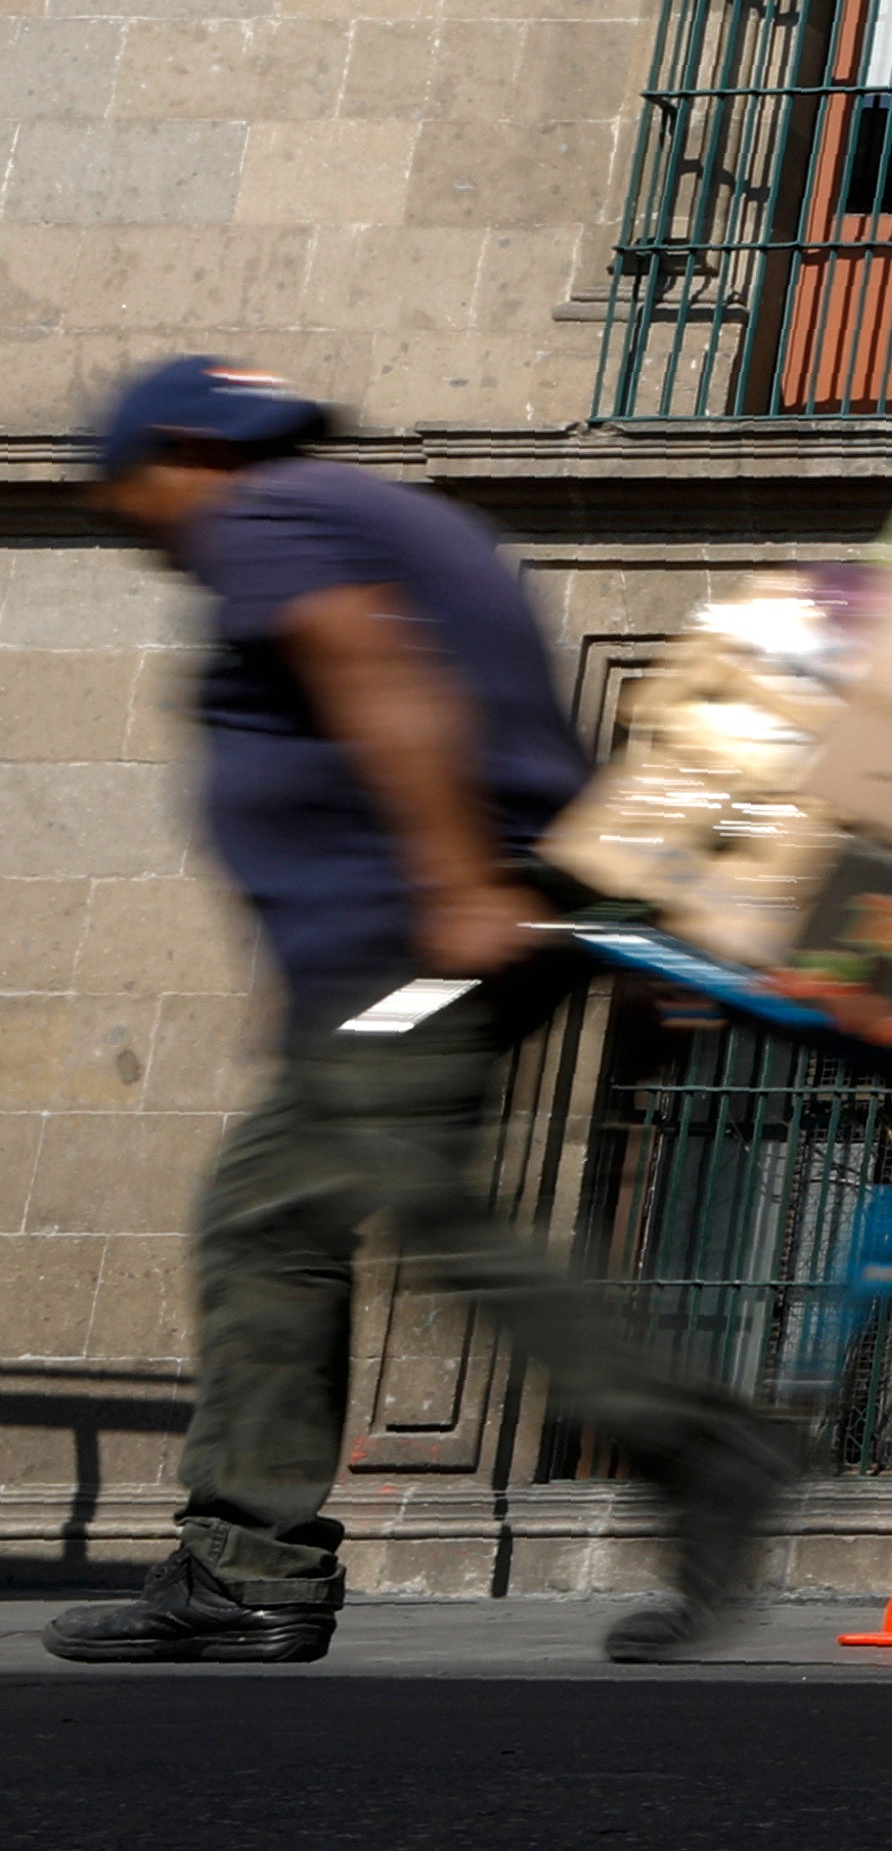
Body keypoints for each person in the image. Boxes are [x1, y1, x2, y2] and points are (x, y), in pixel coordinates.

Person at [45, 359, 789, 1667]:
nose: (141, 533)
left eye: (129, 501)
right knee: (271, 1216)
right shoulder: (379, 512)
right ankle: (246, 1564)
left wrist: (452, 882)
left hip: (422, 938)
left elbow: (375, 669)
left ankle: (694, 1435)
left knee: (406, 1202)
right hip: (406, 944)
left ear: (178, 450)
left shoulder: (261, 516)